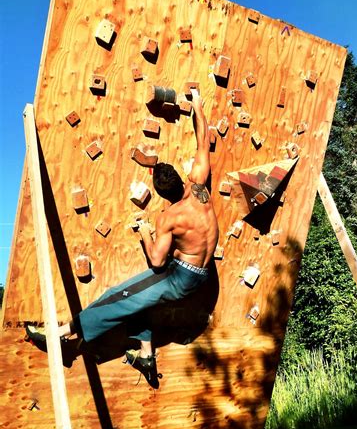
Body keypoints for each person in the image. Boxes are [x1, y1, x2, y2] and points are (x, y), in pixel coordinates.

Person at [27, 90, 219, 386]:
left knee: (116, 297)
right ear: (183, 180)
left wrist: (144, 232)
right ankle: (146, 355)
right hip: (203, 277)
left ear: (161, 195)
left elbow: (156, 261)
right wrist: (196, 106)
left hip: (179, 278)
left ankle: (59, 336)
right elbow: (203, 140)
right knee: (137, 302)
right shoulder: (200, 190)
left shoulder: (171, 217)